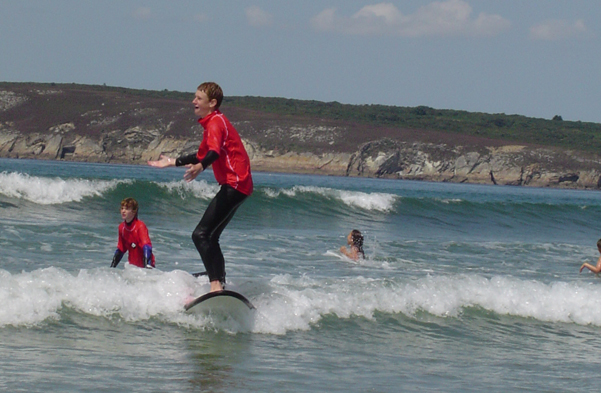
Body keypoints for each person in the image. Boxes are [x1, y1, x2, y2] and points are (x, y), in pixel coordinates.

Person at [148, 82, 253, 293]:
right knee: (211, 236)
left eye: (198, 98)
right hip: (240, 185)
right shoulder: (215, 122)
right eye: (194, 97)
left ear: (212, 103)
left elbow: (211, 154)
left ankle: (215, 285)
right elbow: (203, 154)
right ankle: (219, 281)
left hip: (235, 184)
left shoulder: (215, 122)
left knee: (200, 235)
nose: (193, 101)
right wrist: (172, 161)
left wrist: (201, 166)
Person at [111, 197, 155, 269]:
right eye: (122, 208)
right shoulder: (122, 227)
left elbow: (147, 246)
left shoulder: (140, 226)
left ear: (134, 211)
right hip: (133, 267)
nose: (123, 211)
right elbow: (121, 249)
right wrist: (112, 268)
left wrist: (147, 265)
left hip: (145, 267)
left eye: (127, 209)